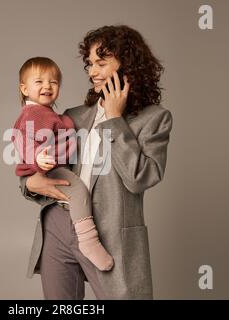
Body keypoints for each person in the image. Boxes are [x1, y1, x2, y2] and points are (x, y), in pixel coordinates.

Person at [19, 25, 173, 300]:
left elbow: (140, 178)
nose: (92, 72)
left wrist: (115, 119)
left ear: (128, 64)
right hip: (57, 226)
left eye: (101, 63)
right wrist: (31, 182)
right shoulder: (73, 116)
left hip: (111, 232)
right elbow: (38, 164)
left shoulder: (154, 119)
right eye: (90, 64)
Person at [12, 57, 114, 271]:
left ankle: (86, 241)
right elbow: (23, 140)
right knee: (78, 191)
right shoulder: (34, 113)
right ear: (24, 88)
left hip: (52, 166)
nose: (47, 86)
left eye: (54, 82)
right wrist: (37, 158)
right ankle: (88, 241)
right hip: (48, 168)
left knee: (77, 191)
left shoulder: (47, 113)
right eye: (39, 82)